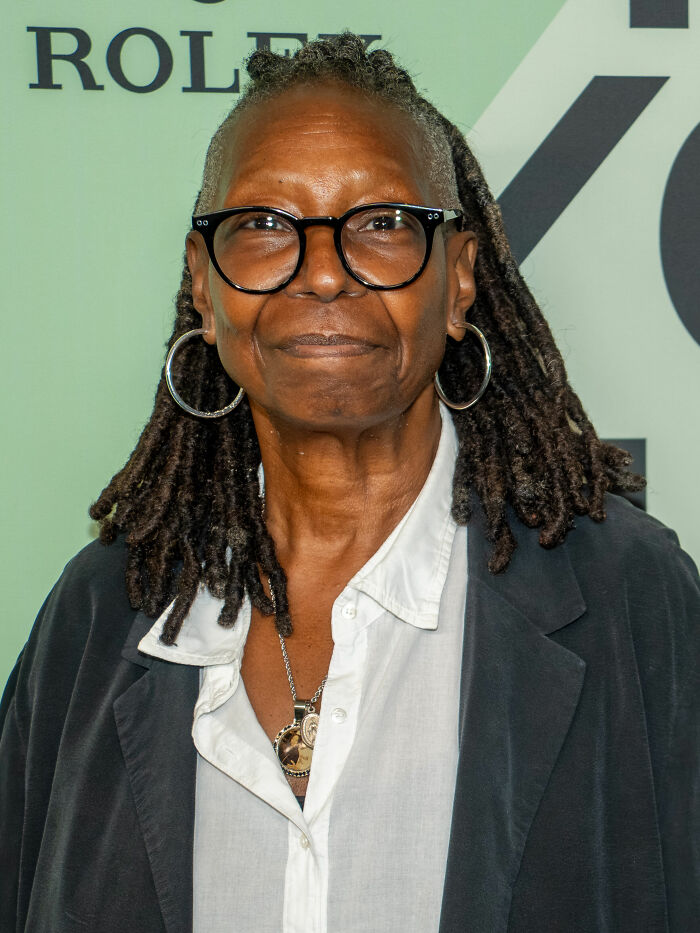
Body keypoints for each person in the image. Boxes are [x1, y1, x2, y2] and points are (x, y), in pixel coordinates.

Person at [1, 32, 698, 933]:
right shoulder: (102, 611)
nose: (323, 272)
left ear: (458, 283)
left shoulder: (629, 599)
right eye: (261, 227)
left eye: (380, 224)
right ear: (203, 289)